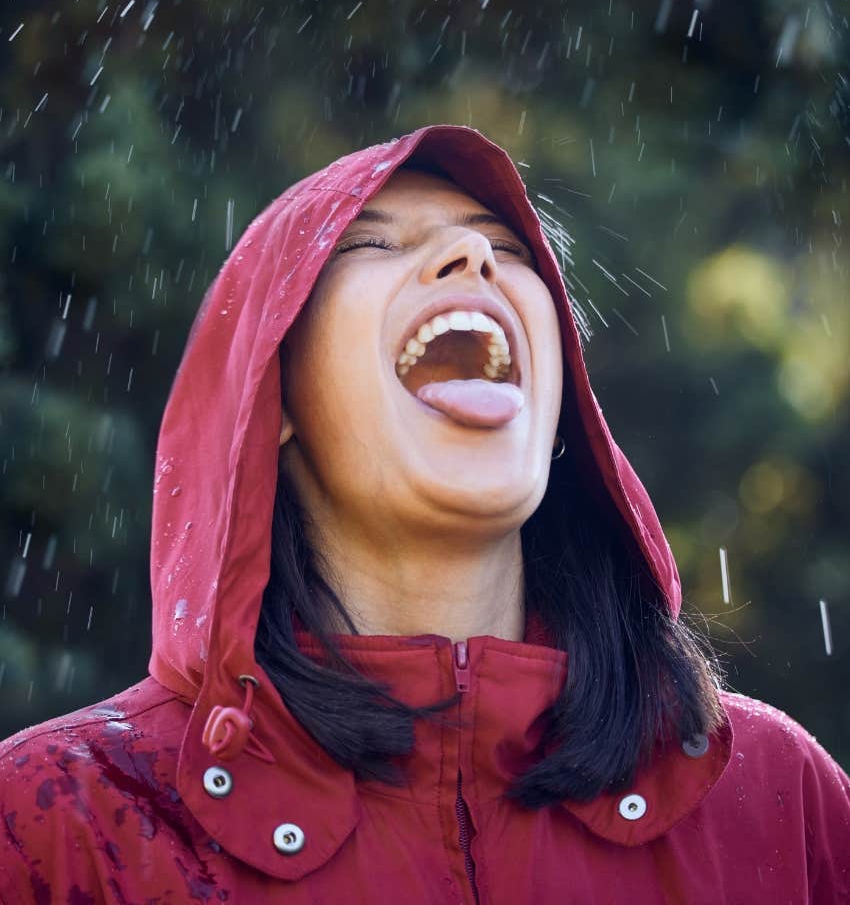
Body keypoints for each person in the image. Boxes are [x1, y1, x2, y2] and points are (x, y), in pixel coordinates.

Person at [0, 125, 847, 903]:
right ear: (271, 397)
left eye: (507, 247)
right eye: (372, 242)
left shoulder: (779, 798)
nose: (471, 253)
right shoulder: (60, 822)